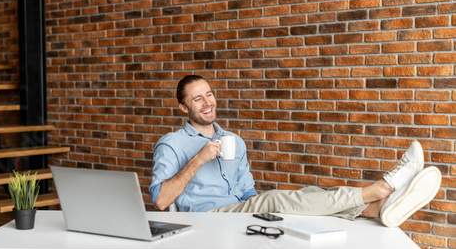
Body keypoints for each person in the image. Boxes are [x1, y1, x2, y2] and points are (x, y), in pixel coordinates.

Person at [150, 75, 441, 227]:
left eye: (209, 94)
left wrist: (263, 207)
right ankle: (380, 189)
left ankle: (376, 210)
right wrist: (198, 160)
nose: (207, 102)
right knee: (277, 199)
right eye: (197, 99)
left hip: (239, 212)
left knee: (306, 196)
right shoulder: (172, 143)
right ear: (184, 107)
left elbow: (247, 190)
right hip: (207, 218)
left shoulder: (233, 141)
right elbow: (162, 201)